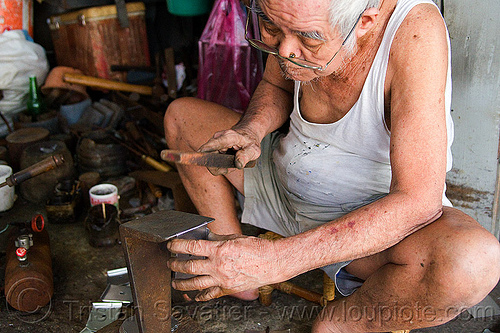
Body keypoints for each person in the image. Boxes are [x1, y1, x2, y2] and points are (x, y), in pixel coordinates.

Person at [164, 0, 500, 331]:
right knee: (181, 118)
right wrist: (251, 130)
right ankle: (234, 266)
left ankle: (343, 323)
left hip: (369, 224)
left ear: (365, 21)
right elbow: (275, 83)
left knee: (472, 262)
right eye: (271, 28)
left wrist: (276, 260)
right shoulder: (295, 21)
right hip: (284, 183)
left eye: (308, 38)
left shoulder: (413, 31)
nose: (285, 52)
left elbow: (417, 202)